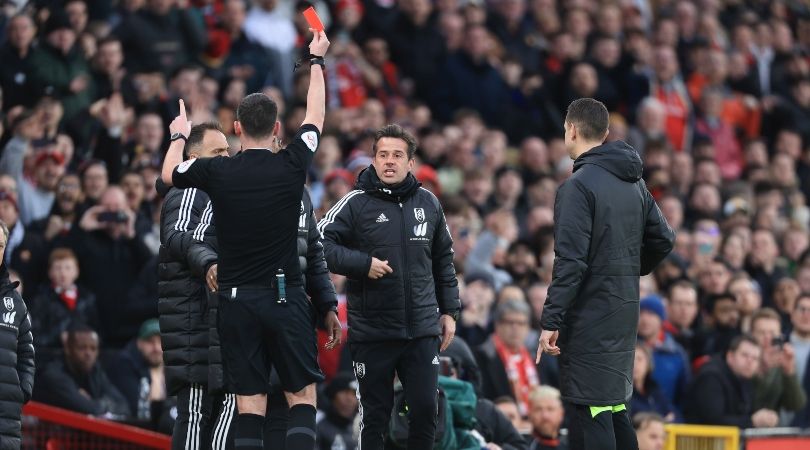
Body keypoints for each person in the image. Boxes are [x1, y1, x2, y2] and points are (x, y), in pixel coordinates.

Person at [160, 30, 333, 450]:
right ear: (276, 128)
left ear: (236, 129)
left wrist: (179, 135)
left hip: (236, 304)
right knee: (301, 397)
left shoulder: (218, 172)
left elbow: (168, 175)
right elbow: (315, 117)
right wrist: (317, 61)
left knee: (249, 404)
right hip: (284, 295)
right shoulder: (293, 163)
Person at [536, 98, 675, 450]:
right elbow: (664, 239)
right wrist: (629, 268)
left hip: (591, 316)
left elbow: (570, 261)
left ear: (571, 130)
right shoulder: (635, 184)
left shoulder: (577, 187)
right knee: (613, 408)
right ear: (606, 133)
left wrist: (551, 319)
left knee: (595, 411)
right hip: (624, 311)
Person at [319, 123, 461, 449]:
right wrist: (362, 264)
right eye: (383, 155)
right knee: (375, 416)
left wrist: (450, 310)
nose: (389, 161)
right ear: (374, 160)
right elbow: (318, 243)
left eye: (397, 155)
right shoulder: (354, 203)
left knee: (426, 409)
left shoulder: (429, 203)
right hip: (374, 331)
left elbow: (444, 260)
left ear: (411, 163)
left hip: (422, 330)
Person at [157, 121, 230, 450]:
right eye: (218, 152)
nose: (227, 157)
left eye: (228, 150)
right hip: (193, 317)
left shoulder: (217, 191)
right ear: (193, 158)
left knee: (214, 414)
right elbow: (177, 236)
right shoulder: (190, 190)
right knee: (196, 411)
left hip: (211, 318)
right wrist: (208, 263)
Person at [34, 322, 130, 418]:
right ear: (68, 349)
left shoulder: (95, 371)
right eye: (82, 348)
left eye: (93, 349)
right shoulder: (53, 373)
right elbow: (88, 409)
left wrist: (96, 402)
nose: (88, 354)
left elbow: (124, 406)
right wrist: (102, 403)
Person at [683, 335, 779, 428]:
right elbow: (713, 421)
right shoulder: (710, 377)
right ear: (730, 356)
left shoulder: (745, 378)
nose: (750, 362)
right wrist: (751, 421)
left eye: (755, 358)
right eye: (745, 355)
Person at [0, 219, 35, 449]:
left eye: (0, 245)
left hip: (5, 421)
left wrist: (22, 390)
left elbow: (27, 354)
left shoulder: (14, 301)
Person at [105, 318, 173, 431]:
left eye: (160, 341)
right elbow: (140, 411)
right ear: (139, 343)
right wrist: (155, 376)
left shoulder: (170, 364)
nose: (156, 348)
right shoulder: (124, 364)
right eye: (150, 342)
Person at [315, 372, 359, 450]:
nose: (350, 398)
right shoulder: (318, 427)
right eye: (345, 392)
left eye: (354, 394)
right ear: (332, 396)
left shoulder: (362, 428)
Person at [528, 386, 567, 450]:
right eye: (538, 409)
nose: (545, 416)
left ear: (561, 413)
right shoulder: (522, 446)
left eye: (550, 409)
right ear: (530, 414)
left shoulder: (576, 444)